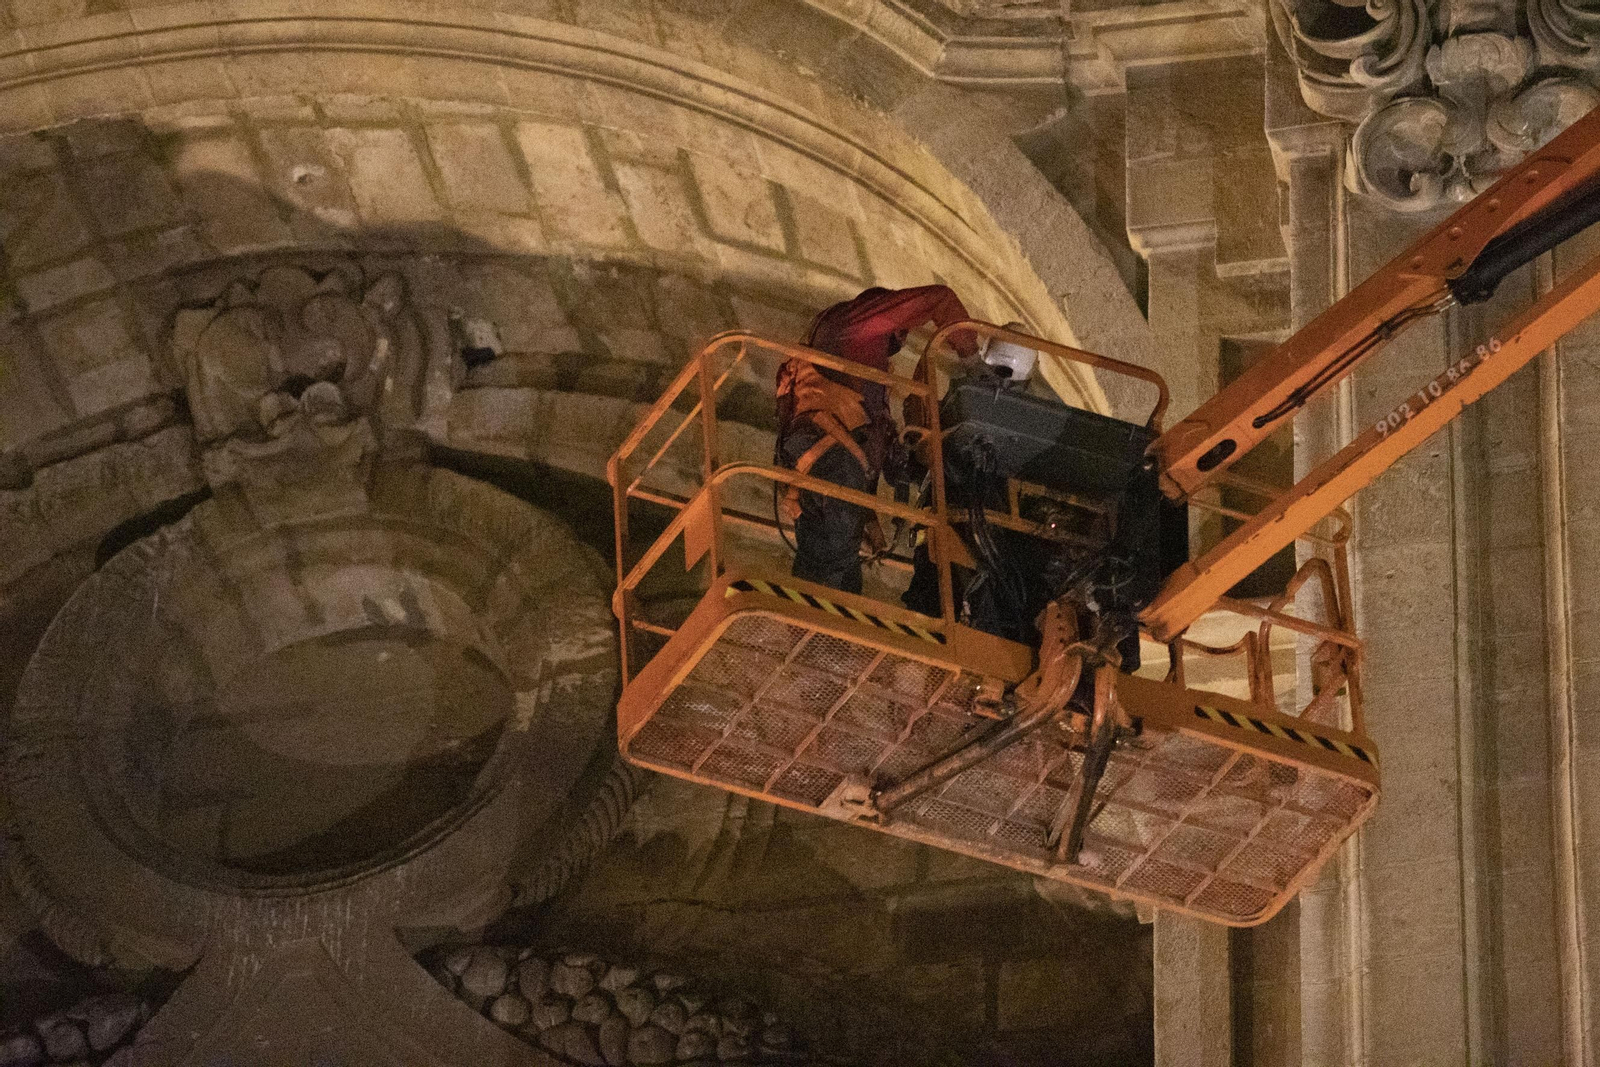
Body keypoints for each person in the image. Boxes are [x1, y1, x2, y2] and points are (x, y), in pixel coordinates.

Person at [775, 286, 979, 595]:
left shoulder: (846, 359)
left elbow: (860, 436)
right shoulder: (856, 322)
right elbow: (939, 297)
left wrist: (867, 514)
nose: (890, 350)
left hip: (820, 461)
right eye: (894, 340)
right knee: (831, 568)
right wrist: (972, 357)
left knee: (830, 564)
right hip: (830, 459)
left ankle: (823, 634)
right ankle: (821, 636)